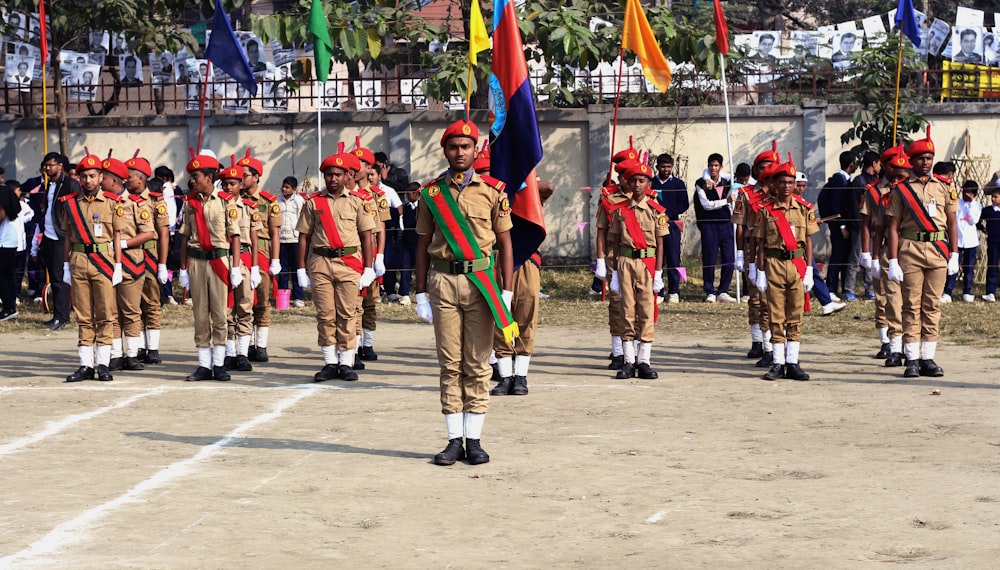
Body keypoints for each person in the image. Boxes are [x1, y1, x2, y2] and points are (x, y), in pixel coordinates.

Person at [414, 119, 514, 466]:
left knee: (478, 361)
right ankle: (453, 439)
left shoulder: (493, 191)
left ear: (476, 151)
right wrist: (420, 292)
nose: (460, 152)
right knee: (450, 363)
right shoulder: (432, 194)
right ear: (445, 151)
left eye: (466, 147)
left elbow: (504, 243)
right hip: (443, 283)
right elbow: (423, 243)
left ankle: (475, 439)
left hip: (480, 284)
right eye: (453, 147)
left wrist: (507, 291)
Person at [885, 126, 959, 378]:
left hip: (938, 249)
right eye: (920, 158)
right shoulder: (901, 189)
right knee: (911, 305)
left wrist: (955, 253)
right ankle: (912, 358)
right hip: (910, 249)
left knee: (932, 305)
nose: (925, 162)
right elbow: (892, 226)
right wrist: (893, 259)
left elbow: (952, 222)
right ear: (912, 161)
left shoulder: (945, 186)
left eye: (929, 158)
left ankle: (928, 357)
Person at [296, 152, 376, 382]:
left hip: (349, 263)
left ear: (346, 176)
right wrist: (301, 268)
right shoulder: (313, 203)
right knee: (325, 314)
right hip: (320, 263)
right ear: (324, 176)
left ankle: (346, 362)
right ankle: (330, 362)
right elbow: (304, 236)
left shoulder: (358, 202)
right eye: (329, 174)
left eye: (338, 175)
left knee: (348, 313)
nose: (333, 179)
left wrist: (369, 268)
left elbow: (367, 236)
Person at [753, 156, 819, 381]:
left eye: (790, 182)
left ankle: (793, 362)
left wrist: (809, 269)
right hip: (774, 264)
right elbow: (760, 243)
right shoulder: (766, 210)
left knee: (795, 315)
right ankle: (778, 363)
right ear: (775, 184)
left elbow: (809, 241)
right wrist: (759, 271)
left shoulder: (804, 209)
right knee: (775, 314)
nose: (787, 186)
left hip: (797, 265)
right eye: (782, 182)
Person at [178, 152, 242, 382]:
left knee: (220, 314)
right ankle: (204, 365)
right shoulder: (190, 203)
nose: (192, 180)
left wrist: (235, 267)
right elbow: (184, 236)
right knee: (200, 314)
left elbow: (234, 236)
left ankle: (219, 364)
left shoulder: (227, 201)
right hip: (196, 261)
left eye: (196, 176)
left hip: (219, 260)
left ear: (208, 177)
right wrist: (183, 268)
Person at [61, 153, 125, 382]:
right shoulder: (70, 204)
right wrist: (66, 265)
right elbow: (68, 236)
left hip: (104, 261)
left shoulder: (112, 203)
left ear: (101, 177)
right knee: (84, 315)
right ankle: (86, 364)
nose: (88, 180)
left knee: (106, 313)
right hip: (78, 260)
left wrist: (118, 265)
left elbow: (117, 236)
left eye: (92, 176)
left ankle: (103, 364)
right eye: (84, 176)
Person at [608, 163, 667, 379]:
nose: (637, 184)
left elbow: (661, 244)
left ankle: (644, 361)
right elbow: (614, 242)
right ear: (628, 183)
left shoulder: (656, 210)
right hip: (625, 262)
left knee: (645, 310)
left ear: (649, 184)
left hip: (648, 264)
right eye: (633, 180)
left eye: (642, 181)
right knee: (626, 310)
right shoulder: (620, 210)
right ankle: (628, 360)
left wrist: (659, 273)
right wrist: (614, 272)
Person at [100, 156, 156, 371]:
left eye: (102, 178)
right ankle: (115, 353)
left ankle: (132, 354)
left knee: (131, 310)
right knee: (110, 311)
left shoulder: (135, 204)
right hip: (105, 263)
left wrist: (122, 243)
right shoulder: (103, 202)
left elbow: (149, 233)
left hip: (130, 262)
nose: (99, 182)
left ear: (114, 181)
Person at [858, 146, 908, 364]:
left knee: (908, 300)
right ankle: (889, 343)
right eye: (892, 166)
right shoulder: (874, 191)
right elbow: (869, 225)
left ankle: (909, 343)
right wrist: (868, 254)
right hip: (886, 249)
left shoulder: (912, 190)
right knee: (885, 298)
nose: (896, 171)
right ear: (884, 166)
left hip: (910, 249)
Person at [733, 143, 778, 363]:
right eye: (762, 168)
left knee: (773, 300)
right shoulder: (745, 194)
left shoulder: (781, 194)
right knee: (757, 299)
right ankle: (757, 341)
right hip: (753, 250)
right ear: (755, 169)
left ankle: (772, 346)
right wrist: (740, 254)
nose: (767, 171)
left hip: (775, 250)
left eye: (771, 167)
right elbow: (740, 226)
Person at [125, 154, 172, 364]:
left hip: (149, 255)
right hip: (127, 256)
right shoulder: (121, 199)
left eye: (129, 177)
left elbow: (163, 234)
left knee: (152, 302)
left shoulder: (156, 200)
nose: (126, 180)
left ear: (141, 178)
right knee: (131, 304)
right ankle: (136, 348)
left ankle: (152, 348)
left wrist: (162, 264)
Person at [237, 150, 282, 362]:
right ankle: (243, 344)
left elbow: (275, 233)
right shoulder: (232, 201)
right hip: (240, 251)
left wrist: (275, 259)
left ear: (256, 177)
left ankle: (260, 344)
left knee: (262, 300)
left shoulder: (268, 201)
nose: (240, 178)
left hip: (262, 252)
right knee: (241, 301)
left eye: (245, 175)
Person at [218, 161, 260, 372]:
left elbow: (254, 238)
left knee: (244, 307)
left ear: (241, 185)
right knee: (225, 310)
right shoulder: (217, 206)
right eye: (225, 184)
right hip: (223, 258)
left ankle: (242, 353)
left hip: (243, 258)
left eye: (233, 183)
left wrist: (255, 268)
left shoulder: (250, 208)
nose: (228, 188)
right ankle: (229, 352)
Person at [351, 143, 391, 361]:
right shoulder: (346, 194)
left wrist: (380, 256)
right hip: (351, 254)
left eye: (362, 164)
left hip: (371, 252)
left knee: (370, 302)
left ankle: (367, 343)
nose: (357, 168)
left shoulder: (377, 196)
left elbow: (381, 228)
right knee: (354, 302)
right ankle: (354, 346)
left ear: (369, 168)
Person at [38, 152, 81, 331]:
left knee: (59, 279)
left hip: (60, 237)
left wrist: (68, 235)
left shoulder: (70, 184)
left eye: (51, 165)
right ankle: (59, 314)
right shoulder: (51, 184)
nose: (47, 168)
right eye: (46, 165)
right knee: (53, 276)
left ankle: (61, 317)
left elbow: (76, 210)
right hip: (48, 235)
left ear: (60, 166)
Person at [795, 172, 844, 316]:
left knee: (813, 271)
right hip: (790, 245)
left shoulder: (804, 204)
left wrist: (813, 222)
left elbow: (807, 225)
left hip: (803, 244)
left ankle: (826, 302)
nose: (800, 188)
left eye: (803, 186)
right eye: (798, 185)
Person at [694, 153, 737, 303]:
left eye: (716, 165)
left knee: (729, 258)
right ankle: (709, 290)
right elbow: (706, 205)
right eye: (711, 165)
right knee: (710, 257)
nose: (713, 168)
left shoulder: (727, 181)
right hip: (709, 225)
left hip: (726, 224)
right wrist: (725, 201)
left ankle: (723, 290)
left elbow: (738, 182)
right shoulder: (701, 183)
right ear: (708, 166)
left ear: (721, 167)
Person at [818, 151, 857, 300]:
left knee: (844, 255)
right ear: (851, 164)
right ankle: (831, 288)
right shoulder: (838, 180)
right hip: (839, 225)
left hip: (843, 224)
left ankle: (840, 288)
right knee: (838, 255)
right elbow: (836, 205)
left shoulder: (845, 180)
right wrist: (842, 226)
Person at [651, 153, 688, 303]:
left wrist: (669, 215)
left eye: (669, 167)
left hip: (672, 224)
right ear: (657, 167)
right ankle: (658, 291)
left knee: (673, 258)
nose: (666, 169)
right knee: (657, 258)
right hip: (654, 225)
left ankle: (674, 291)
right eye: (663, 167)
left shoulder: (678, 184)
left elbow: (684, 204)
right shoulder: (652, 183)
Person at [943, 181, 982, 302]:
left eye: (969, 193)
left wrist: (969, 205)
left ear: (974, 194)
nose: (966, 195)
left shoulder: (977, 205)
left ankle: (967, 291)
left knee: (969, 267)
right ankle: (948, 292)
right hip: (957, 241)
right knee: (953, 266)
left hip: (970, 241)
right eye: (964, 192)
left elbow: (973, 221)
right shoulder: (957, 203)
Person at [850, 151, 881, 300]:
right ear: (873, 163)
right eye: (879, 164)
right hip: (861, 226)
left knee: (872, 258)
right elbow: (856, 205)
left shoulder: (878, 180)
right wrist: (858, 224)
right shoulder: (860, 181)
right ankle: (849, 289)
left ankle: (870, 289)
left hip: (875, 226)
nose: (880, 167)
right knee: (856, 257)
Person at [384, 181, 420, 304]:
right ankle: (404, 294)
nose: (406, 197)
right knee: (405, 269)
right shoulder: (406, 208)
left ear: (416, 194)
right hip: (406, 242)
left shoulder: (424, 207)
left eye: (408, 194)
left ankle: (421, 293)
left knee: (420, 270)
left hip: (419, 243)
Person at [0, 180, 28, 320]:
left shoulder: (2, 193)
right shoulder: (7, 193)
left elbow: (2, 214)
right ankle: (10, 306)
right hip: (9, 241)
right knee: (7, 275)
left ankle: (8, 307)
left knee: (2, 275)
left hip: (4, 242)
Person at [277, 176, 306, 307]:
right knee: (283, 270)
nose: (284, 189)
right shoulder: (277, 201)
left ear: (294, 189)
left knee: (296, 269)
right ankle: (283, 298)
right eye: (283, 186)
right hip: (282, 240)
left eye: (287, 187)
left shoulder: (299, 201)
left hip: (295, 240)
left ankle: (298, 297)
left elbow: (303, 218)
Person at [978, 185, 1000, 302]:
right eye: (992, 197)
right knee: (992, 266)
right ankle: (990, 291)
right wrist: (984, 229)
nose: (993, 199)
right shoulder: (987, 211)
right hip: (993, 243)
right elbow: (978, 221)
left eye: (995, 197)